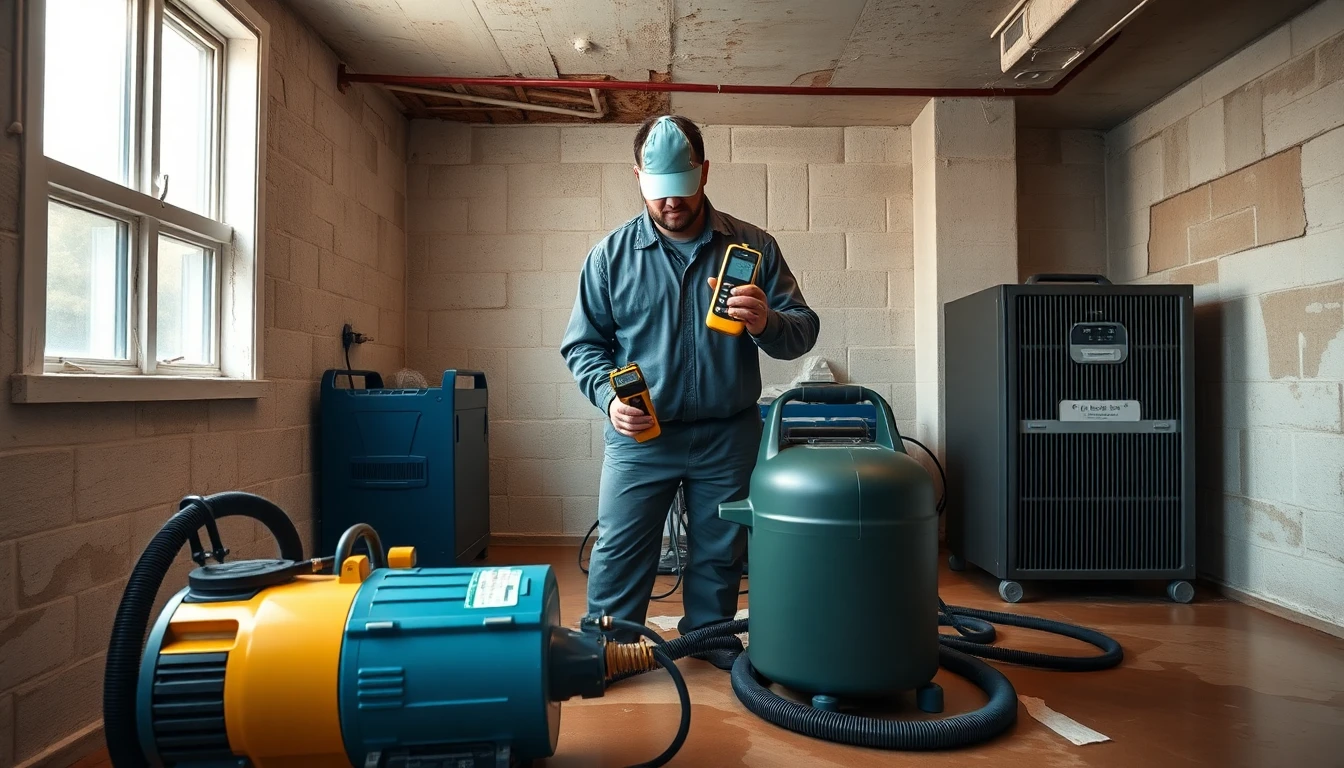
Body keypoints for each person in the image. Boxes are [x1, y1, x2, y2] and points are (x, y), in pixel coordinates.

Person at [560, 115, 820, 660]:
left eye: (682, 186)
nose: (671, 202)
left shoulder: (754, 246)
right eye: (659, 190)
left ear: (704, 172)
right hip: (642, 436)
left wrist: (767, 321)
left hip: (728, 435)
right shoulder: (609, 258)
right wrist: (608, 398)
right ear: (638, 177)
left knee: (720, 554)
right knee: (620, 550)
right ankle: (608, 650)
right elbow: (583, 346)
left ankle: (709, 641)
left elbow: (802, 330)